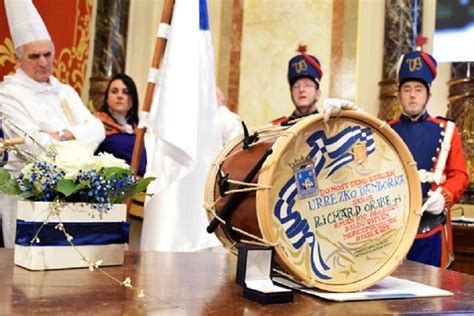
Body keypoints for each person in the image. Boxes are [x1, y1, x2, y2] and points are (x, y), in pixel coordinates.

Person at [0, 0, 105, 248]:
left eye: (47, 54)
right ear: (18, 59)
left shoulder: (65, 91)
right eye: (34, 56)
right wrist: (77, 136)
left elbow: (98, 129)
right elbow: (35, 146)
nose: (43, 62)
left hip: (74, 193)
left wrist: (63, 134)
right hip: (28, 197)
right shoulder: (8, 95)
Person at [388, 50, 469, 268]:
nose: (412, 95)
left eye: (418, 89)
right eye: (406, 89)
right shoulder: (386, 131)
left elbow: (460, 175)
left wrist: (445, 196)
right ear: (398, 95)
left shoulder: (447, 130)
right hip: (393, 230)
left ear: (428, 96)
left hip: (431, 229)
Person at [273, 45, 360, 125]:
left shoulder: (329, 126)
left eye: (307, 85)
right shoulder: (275, 129)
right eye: (296, 86)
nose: (301, 89)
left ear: (318, 94)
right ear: (291, 92)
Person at [94, 73, 147, 176]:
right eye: (114, 91)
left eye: (126, 92)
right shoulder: (96, 123)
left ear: (133, 99)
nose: (119, 96)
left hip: (143, 186)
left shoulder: (140, 128)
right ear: (107, 98)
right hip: (112, 185)